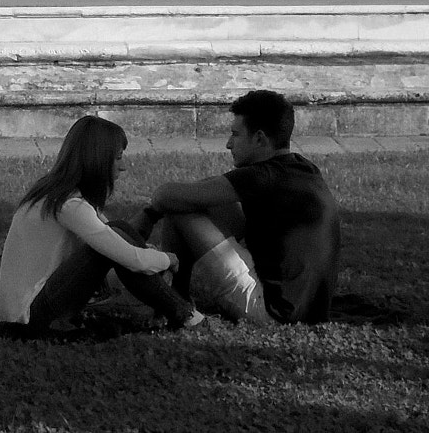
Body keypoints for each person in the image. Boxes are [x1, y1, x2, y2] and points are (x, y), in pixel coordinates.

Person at [140, 89, 340, 325]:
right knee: (198, 198)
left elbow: (164, 196)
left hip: (272, 312)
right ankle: (177, 297)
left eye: (235, 134)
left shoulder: (260, 176)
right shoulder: (303, 168)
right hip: (309, 308)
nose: (228, 144)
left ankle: (173, 303)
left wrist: (150, 213)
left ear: (259, 139)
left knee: (180, 207)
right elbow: (202, 191)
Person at [0, 115, 203, 333]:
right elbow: (133, 260)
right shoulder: (69, 205)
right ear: (99, 160)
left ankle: (173, 309)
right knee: (109, 246)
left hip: (29, 308)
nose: (123, 167)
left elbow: (117, 239)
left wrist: (147, 254)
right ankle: (184, 314)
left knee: (119, 229)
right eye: (118, 158)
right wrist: (167, 259)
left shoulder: (54, 194)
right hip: (30, 317)